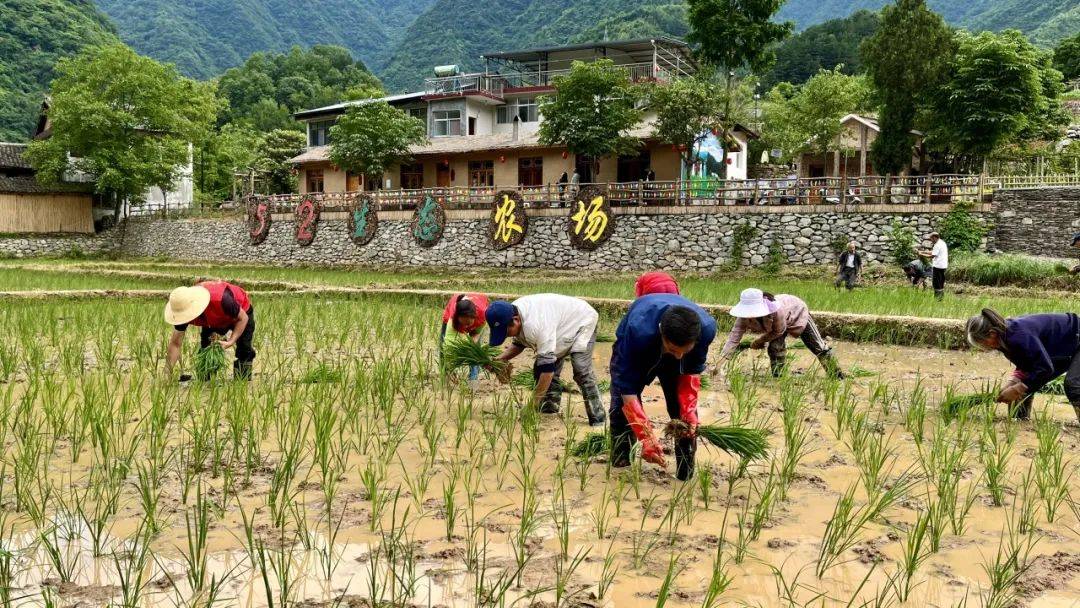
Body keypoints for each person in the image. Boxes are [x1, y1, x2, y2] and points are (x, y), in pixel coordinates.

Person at [609, 294, 716, 480]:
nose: (679, 357)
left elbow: (691, 374)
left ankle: (685, 472)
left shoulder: (706, 330)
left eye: (685, 350)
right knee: (620, 406)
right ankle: (621, 466)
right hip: (638, 347)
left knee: (685, 418)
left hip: (670, 343)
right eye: (674, 350)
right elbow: (627, 389)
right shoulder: (638, 331)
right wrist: (646, 437)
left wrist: (688, 411)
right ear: (661, 334)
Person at [486, 295, 606, 426]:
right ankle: (549, 409)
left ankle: (598, 418)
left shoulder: (536, 325)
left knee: (580, 368)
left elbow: (547, 372)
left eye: (506, 332)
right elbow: (519, 344)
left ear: (516, 320)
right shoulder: (512, 311)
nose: (506, 336)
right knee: (541, 366)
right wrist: (498, 360)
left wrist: (532, 405)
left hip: (582, 320)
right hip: (558, 323)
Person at [966, 308, 1080, 424]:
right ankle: (1020, 422)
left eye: (983, 343)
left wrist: (1017, 389)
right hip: (1064, 347)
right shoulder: (1003, 339)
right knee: (1023, 386)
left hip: (1076, 338)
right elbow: (1027, 364)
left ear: (992, 333)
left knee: (1073, 385)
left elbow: (1045, 368)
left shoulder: (1018, 335)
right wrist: (1012, 384)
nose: (985, 348)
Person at [718, 288, 843, 379]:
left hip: (797, 312)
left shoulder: (777, 311)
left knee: (818, 347)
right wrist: (718, 365)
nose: (750, 313)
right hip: (778, 327)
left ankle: (837, 376)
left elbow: (778, 331)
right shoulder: (743, 316)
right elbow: (733, 338)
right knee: (775, 348)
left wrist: (758, 341)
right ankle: (779, 377)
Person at [164, 281, 255, 380]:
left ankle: (243, 381)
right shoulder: (181, 311)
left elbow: (243, 318)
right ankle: (205, 381)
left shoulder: (222, 299)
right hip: (211, 318)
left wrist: (231, 341)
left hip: (239, 313)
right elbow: (175, 344)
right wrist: (166, 373)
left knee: (244, 349)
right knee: (206, 350)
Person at [439, 293, 489, 383]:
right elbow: (448, 346)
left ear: (475, 317)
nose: (465, 327)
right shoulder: (453, 317)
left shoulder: (483, 315)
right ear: (457, 318)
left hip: (478, 307)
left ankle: (473, 381)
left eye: (468, 324)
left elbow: (476, 334)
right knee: (443, 345)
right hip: (452, 316)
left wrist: (470, 347)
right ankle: (445, 374)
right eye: (463, 324)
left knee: (475, 351)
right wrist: (451, 366)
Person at [919, 232, 948, 300]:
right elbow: (934, 251)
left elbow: (932, 256)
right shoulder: (942, 242)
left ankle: (938, 299)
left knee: (936, 283)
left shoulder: (937, 245)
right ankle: (941, 298)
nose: (931, 240)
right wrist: (923, 252)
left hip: (938, 266)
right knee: (941, 282)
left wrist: (921, 254)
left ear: (935, 237)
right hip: (943, 265)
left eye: (931, 239)